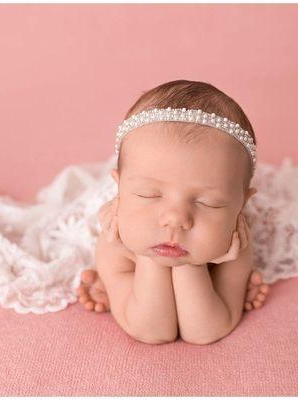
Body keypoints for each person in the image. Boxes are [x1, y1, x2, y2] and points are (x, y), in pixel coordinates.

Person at [77, 80, 269, 345]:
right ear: (119, 189)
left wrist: (192, 265)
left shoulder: (234, 241)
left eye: (208, 202)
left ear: (241, 206)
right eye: (149, 195)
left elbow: (206, 332)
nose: (176, 219)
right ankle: (108, 282)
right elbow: (151, 331)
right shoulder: (115, 239)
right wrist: (147, 258)